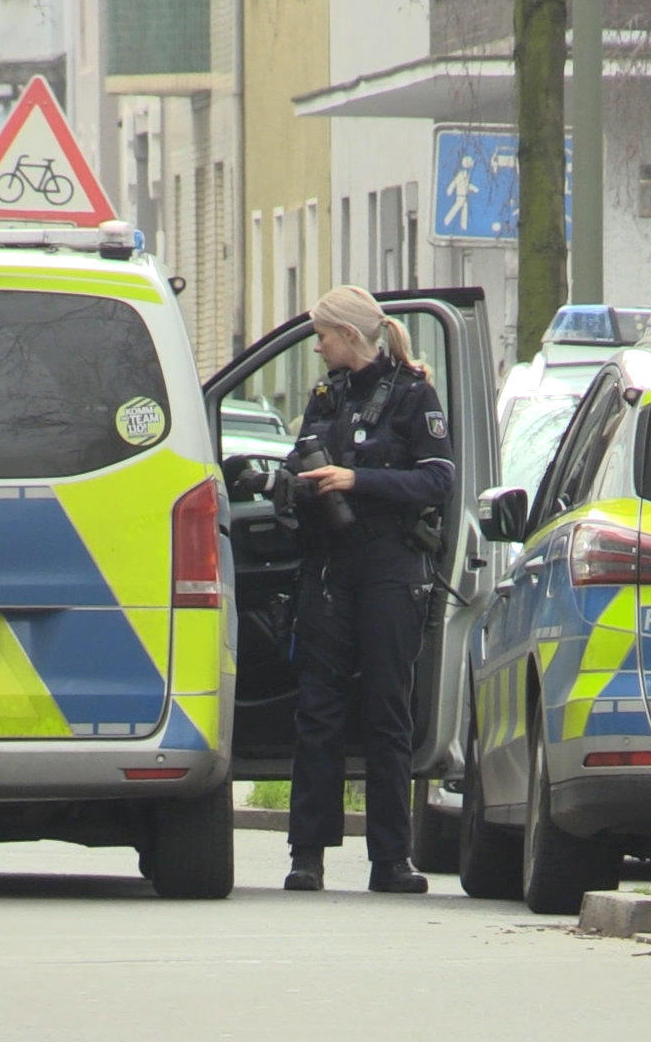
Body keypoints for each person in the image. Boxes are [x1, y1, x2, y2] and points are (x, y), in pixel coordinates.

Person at [248, 285, 454, 893]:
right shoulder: (325, 396)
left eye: (324, 335)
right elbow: (299, 462)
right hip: (329, 567)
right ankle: (306, 854)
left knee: (388, 709)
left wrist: (357, 480)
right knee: (317, 710)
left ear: (351, 335)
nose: (318, 346)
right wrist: (289, 482)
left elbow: (438, 479)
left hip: (391, 567)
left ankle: (391, 860)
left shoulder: (415, 394)